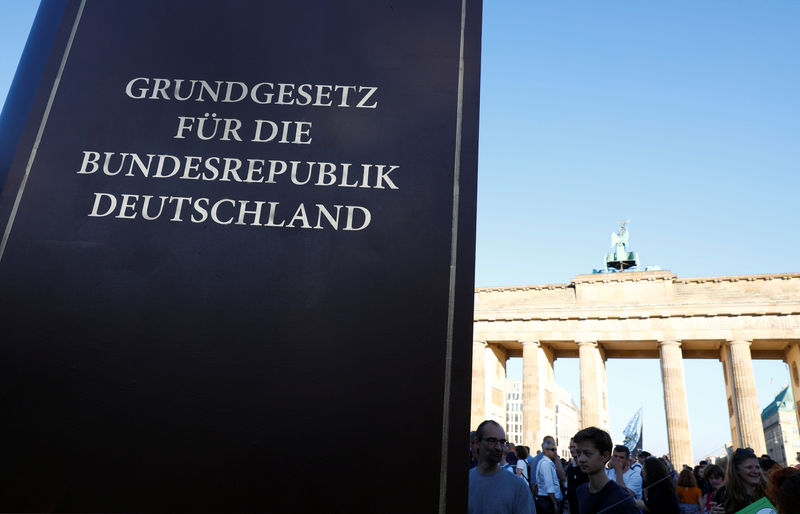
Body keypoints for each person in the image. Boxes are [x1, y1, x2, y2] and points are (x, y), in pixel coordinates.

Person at [468, 420, 535, 514]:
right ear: (477, 443)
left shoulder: (519, 487)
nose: (499, 448)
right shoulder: (466, 481)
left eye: (502, 442)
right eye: (492, 441)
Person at [573, 426, 638, 514]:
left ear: (605, 456)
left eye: (587, 453)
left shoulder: (622, 499)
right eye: (579, 453)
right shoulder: (580, 491)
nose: (581, 459)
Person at [711, 447, 767, 513]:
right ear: (736, 470)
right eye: (749, 467)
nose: (755, 471)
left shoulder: (769, 490)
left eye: (757, 467)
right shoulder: (724, 494)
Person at [535, 440, 563, 514]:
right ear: (545, 451)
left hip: (547, 499)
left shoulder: (546, 462)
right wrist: (554, 504)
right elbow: (549, 486)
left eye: (555, 449)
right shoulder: (546, 464)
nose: (555, 452)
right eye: (553, 450)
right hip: (548, 500)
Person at [566, 438, 589, 514]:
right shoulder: (570, 469)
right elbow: (569, 492)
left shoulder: (587, 467)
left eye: (574, 447)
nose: (572, 450)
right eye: (571, 447)